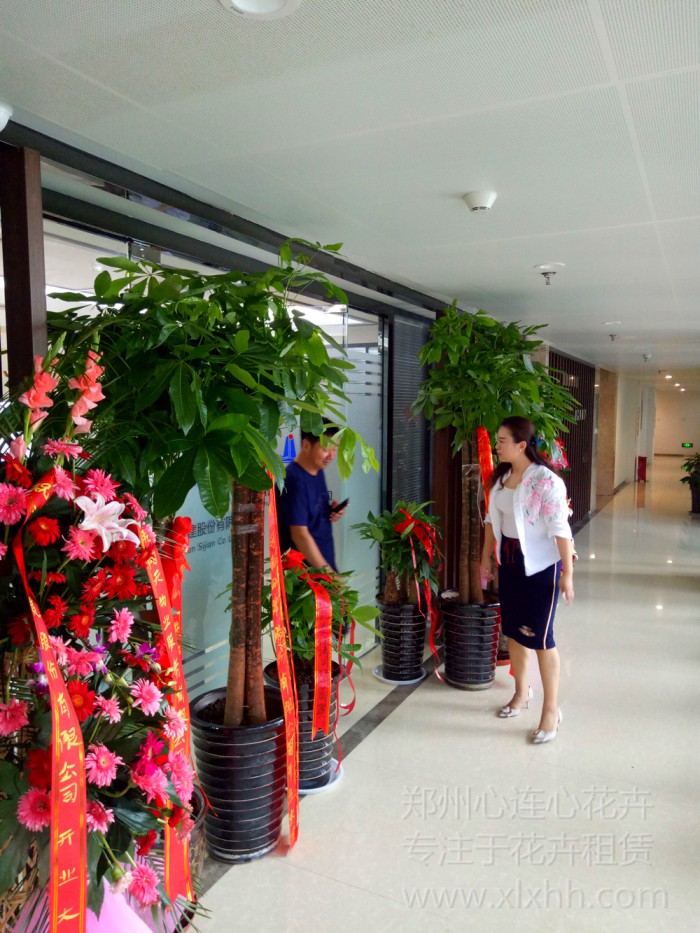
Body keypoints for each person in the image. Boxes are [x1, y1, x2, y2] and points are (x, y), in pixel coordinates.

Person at [480, 416, 574, 744]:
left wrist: (567, 573)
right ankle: (522, 692)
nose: (496, 445)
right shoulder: (501, 477)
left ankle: (551, 709)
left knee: (541, 638)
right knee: (515, 632)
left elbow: (560, 528)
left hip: (541, 566)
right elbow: (491, 520)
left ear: (521, 445)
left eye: (502, 440)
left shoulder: (545, 481)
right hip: (510, 562)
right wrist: (485, 558)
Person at [276, 422, 346, 572]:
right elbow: (299, 535)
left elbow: (309, 514)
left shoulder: (316, 470)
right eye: (325, 450)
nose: (331, 456)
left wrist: (330, 511)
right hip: (305, 575)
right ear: (306, 445)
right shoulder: (294, 482)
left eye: (334, 449)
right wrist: (330, 575)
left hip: (322, 567)